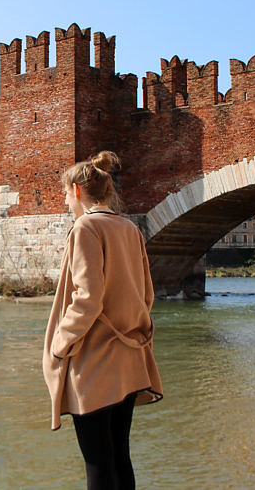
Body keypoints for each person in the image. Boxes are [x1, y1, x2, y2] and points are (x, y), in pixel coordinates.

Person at [42, 151, 163, 490]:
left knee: (96, 462)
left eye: (66, 194)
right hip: (129, 358)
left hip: (94, 362)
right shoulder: (130, 229)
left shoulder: (85, 227)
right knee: (119, 457)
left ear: (78, 191)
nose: (66, 201)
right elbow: (147, 295)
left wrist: (60, 343)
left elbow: (87, 298)